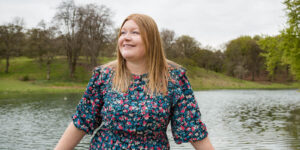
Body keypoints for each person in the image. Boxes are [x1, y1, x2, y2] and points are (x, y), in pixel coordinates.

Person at [55, 13, 214, 150]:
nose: (126, 37)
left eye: (135, 32)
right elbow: (81, 121)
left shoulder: (174, 79)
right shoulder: (104, 76)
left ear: (151, 40)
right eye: (122, 33)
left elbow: (192, 128)